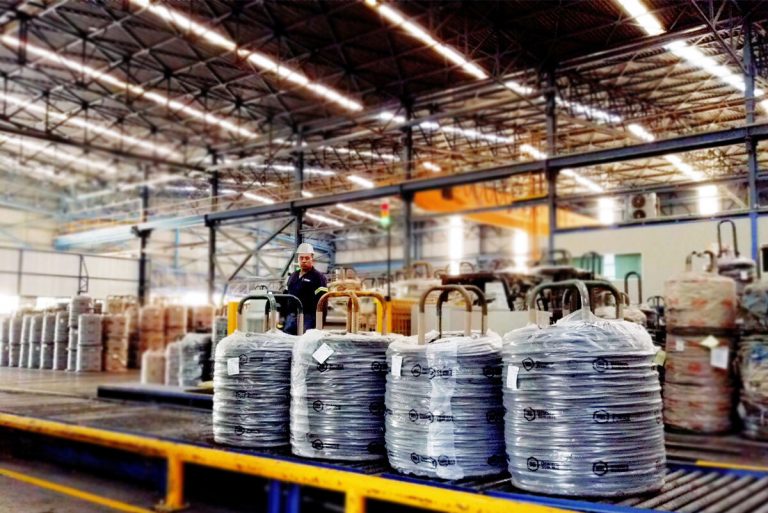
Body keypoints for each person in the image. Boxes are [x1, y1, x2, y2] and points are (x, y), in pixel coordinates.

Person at [282, 243, 328, 334]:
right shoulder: (293, 276)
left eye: (307, 258)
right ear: (298, 259)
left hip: (309, 318)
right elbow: (286, 296)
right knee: (287, 339)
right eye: (301, 258)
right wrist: (283, 316)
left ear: (312, 259)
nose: (304, 261)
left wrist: (320, 321)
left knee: (305, 340)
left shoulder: (318, 277)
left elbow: (323, 301)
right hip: (291, 316)